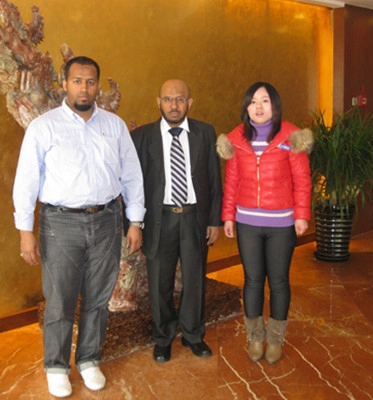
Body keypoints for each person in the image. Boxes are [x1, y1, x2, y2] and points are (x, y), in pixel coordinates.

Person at [12, 56, 145, 398]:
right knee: (60, 299)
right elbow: (26, 180)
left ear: (97, 85)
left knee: (99, 298)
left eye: (90, 82)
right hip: (60, 223)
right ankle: (56, 366)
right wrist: (25, 231)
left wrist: (135, 221)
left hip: (107, 220)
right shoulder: (44, 127)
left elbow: (131, 176)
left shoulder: (114, 126)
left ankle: (88, 359)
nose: (84, 88)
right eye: (77, 81)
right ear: (65, 84)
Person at [217, 81, 313, 365]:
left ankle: (276, 339)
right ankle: (256, 337)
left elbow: (302, 180)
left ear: (275, 105)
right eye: (253, 101)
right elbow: (231, 182)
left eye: (265, 101)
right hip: (247, 222)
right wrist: (228, 216)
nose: (258, 107)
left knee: (279, 280)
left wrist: (301, 215)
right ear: (246, 107)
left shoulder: (291, 136)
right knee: (252, 280)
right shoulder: (236, 139)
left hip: (281, 223)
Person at [131, 79, 222, 363]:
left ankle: (193, 335)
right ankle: (163, 338)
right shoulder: (141, 137)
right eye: (168, 99)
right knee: (160, 282)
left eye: (180, 99)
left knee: (195, 280)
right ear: (158, 102)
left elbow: (214, 179)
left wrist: (214, 220)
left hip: (194, 218)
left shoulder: (205, 133)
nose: (174, 105)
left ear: (189, 103)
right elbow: (133, 183)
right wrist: (135, 223)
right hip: (160, 219)